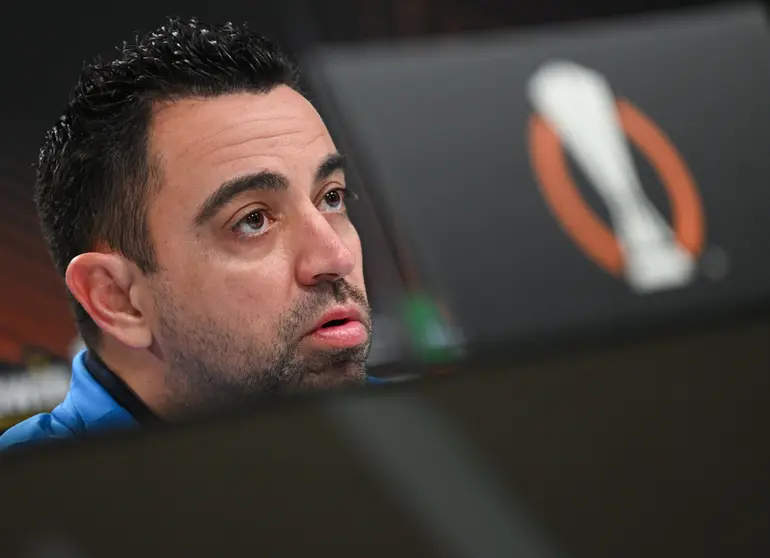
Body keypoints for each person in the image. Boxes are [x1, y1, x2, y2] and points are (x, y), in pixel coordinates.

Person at [0, 17, 378, 452]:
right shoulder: (29, 502)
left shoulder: (433, 431)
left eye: (331, 198)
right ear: (118, 299)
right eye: (252, 220)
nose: (335, 258)